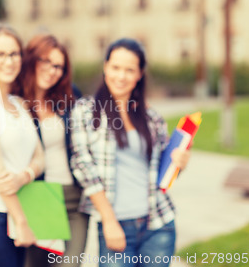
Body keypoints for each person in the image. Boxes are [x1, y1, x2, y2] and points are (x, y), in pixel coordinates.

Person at [70, 38, 191, 267]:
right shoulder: (85, 111)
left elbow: (161, 171)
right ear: (105, 67)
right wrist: (109, 220)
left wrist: (179, 163)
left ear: (140, 74)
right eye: (115, 68)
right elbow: (82, 166)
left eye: (129, 70)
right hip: (116, 224)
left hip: (158, 224)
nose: (121, 76)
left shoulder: (151, 117)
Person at [12, 34, 89, 267]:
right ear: (31, 60)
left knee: (70, 264)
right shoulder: (14, 100)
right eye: (46, 62)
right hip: (38, 197)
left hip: (75, 197)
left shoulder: (69, 96)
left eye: (59, 66)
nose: (52, 70)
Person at [0, 25, 45, 267]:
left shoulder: (19, 104)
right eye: (0, 54)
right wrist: (21, 223)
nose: (9, 61)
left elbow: (40, 157)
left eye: (14, 54)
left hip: (27, 210)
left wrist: (24, 176)